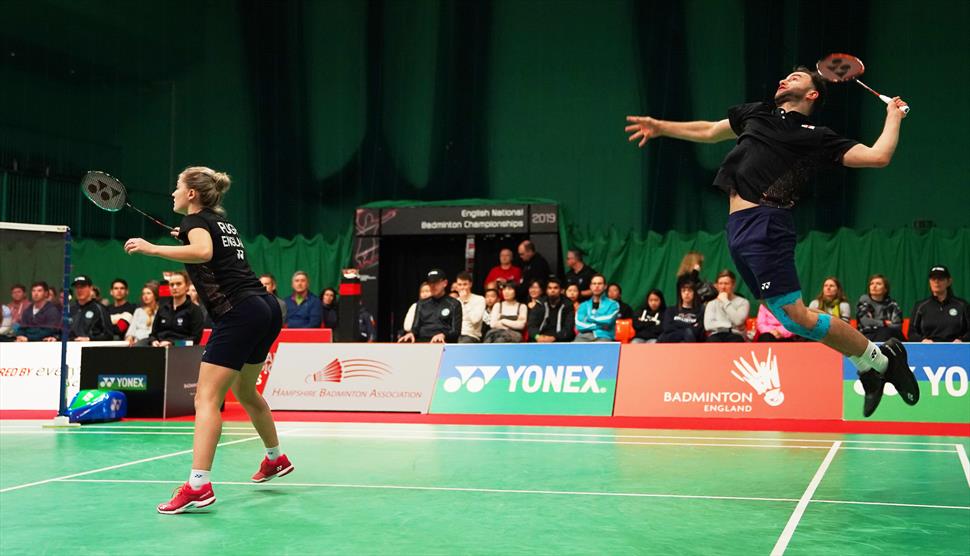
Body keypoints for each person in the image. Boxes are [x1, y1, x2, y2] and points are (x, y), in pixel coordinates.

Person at [626, 65, 917, 417]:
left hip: (767, 223)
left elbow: (877, 156)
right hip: (737, 230)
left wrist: (893, 116)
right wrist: (660, 127)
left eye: (796, 78)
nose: (784, 79)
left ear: (812, 94)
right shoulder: (756, 113)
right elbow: (707, 131)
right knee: (791, 319)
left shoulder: (815, 135)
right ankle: (871, 363)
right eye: (785, 76)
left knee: (796, 315)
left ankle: (882, 360)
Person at [123, 166, 292, 514]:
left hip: (240, 312)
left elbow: (202, 253)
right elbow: (209, 250)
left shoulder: (196, 223)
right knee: (245, 391)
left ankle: (198, 486)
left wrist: (152, 248)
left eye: (176, 187)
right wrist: (185, 236)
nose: (172, 193)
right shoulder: (221, 223)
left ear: (191, 194)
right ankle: (275, 458)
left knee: (206, 398)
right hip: (267, 308)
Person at [141, 271, 204, 347]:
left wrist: (173, 344)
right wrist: (153, 341)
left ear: (187, 286)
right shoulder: (163, 308)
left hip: (181, 350)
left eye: (178, 284)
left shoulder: (194, 310)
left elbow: (194, 340)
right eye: (171, 285)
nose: (174, 287)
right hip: (159, 348)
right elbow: (153, 334)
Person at [398, 269, 462, 343]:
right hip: (422, 342)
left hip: (443, 342)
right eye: (430, 283)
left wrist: (444, 335)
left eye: (436, 282)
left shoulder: (454, 304)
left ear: (445, 283)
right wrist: (411, 334)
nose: (433, 285)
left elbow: (456, 331)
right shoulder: (421, 304)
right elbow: (415, 328)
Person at [909, 265, 970, 343]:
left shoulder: (962, 305)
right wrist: (922, 340)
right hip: (927, 350)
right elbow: (912, 333)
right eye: (933, 279)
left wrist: (962, 341)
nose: (936, 281)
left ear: (949, 281)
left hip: (956, 350)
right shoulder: (920, 306)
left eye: (940, 278)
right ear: (929, 282)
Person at [704, 269, 750, 342]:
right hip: (716, 334)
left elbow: (738, 321)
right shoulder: (711, 304)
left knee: (736, 340)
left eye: (726, 283)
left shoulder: (743, 302)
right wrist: (729, 325)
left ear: (733, 285)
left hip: (735, 335)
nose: (723, 287)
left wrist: (725, 301)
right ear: (717, 285)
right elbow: (708, 325)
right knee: (712, 341)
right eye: (720, 283)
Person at [856, 274, 904, 342]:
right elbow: (865, 321)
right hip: (868, 335)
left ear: (885, 289)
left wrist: (876, 323)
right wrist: (884, 323)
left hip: (889, 335)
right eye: (871, 284)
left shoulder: (892, 304)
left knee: (888, 333)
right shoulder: (864, 300)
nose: (874, 286)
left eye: (878, 284)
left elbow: (898, 326)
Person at [659, 277, 705, 343]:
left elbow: (697, 331)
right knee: (663, 337)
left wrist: (677, 324)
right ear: (680, 294)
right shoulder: (671, 310)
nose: (686, 293)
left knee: (689, 334)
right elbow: (667, 328)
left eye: (690, 291)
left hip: (690, 342)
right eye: (683, 291)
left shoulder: (700, 311)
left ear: (694, 293)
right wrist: (688, 328)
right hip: (673, 340)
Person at [574, 274, 619, 342]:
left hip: (604, 336)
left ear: (605, 287)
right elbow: (579, 325)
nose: (596, 286)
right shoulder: (583, 305)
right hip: (583, 336)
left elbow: (608, 320)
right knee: (572, 349)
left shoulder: (613, 304)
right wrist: (599, 325)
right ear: (590, 286)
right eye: (594, 284)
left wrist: (589, 318)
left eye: (599, 283)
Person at [68, 275, 113, 341]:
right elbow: (62, 332)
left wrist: (90, 339)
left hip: (91, 349)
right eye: (77, 287)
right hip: (70, 348)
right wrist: (56, 338)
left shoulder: (100, 309)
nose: (79, 290)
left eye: (82, 287)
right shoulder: (70, 309)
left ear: (91, 288)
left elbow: (109, 335)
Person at [532, 278, 575, 343]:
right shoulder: (540, 304)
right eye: (550, 288)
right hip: (541, 338)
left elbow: (568, 327)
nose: (552, 290)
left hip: (561, 340)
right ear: (546, 290)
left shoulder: (568, 305)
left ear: (561, 290)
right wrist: (537, 336)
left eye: (555, 288)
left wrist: (555, 337)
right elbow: (531, 325)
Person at [454, 272, 486, 343]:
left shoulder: (479, 299)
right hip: (455, 335)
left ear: (470, 284)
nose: (462, 287)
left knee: (462, 342)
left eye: (465, 284)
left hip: (470, 336)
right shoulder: (455, 301)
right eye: (459, 284)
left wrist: (464, 301)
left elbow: (475, 320)